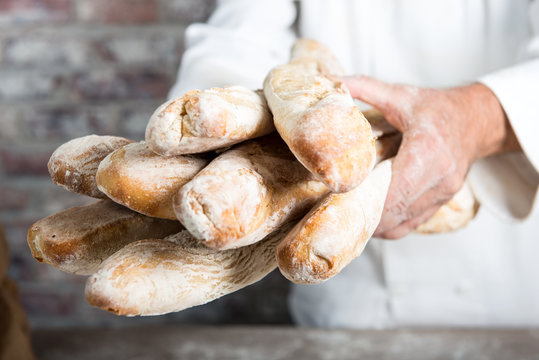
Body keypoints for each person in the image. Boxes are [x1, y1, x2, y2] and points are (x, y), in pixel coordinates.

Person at [170, 0, 539, 328]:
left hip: (500, 280)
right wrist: (215, 132)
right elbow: (241, 36)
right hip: (344, 288)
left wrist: (473, 120)